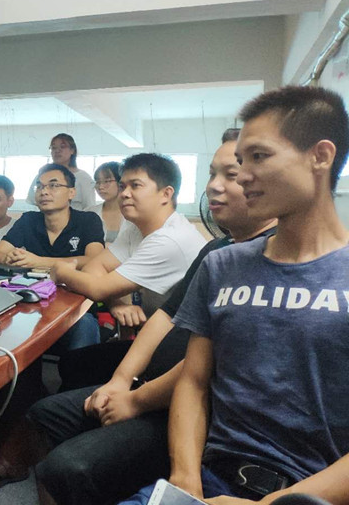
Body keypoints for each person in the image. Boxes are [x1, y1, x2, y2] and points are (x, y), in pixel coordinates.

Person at [121, 85, 349, 505]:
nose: (242, 176)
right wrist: (185, 479)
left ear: (320, 156)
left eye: (259, 157)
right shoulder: (222, 265)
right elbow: (194, 381)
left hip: (312, 495)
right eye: (241, 161)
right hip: (212, 480)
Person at [28, 129, 277, 505]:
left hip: (182, 404)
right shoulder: (218, 249)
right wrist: (120, 381)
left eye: (231, 173)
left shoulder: (264, 259)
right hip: (149, 378)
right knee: (44, 412)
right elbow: (166, 314)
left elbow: (205, 367)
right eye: (212, 174)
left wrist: (136, 399)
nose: (213, 186)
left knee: (69, 466)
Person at [51, 153, 206, 328]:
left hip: (184, 338)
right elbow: (94, 268)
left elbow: (98, 288)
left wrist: (61, 271)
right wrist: (117, 303)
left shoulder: (170, 239)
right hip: (155, 329)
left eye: (135, 185)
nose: (124, 193)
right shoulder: (135, 228)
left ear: (166, 194)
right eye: (122, 186)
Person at [0, 164, 104, 270]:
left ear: (71, 192)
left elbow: (95, 260)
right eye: (39, 186)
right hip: (32, 285)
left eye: (53, 185)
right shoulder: (28, 220)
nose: (43, 192)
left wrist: (39, 262)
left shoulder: (88, 220)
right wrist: (9, 258)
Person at [27, 133, 96, 211]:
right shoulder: (42, 175)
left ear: (72, 150)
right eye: (53, 148)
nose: (57, 151)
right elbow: (32, 201)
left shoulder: (83, 177)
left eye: (62, 147)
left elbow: (90, 206)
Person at [86, 161, 126, 244]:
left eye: (107, 181)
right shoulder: (89, 213)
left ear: (120, 182)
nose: (100, 187)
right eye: (98, 182)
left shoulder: (133, 213)